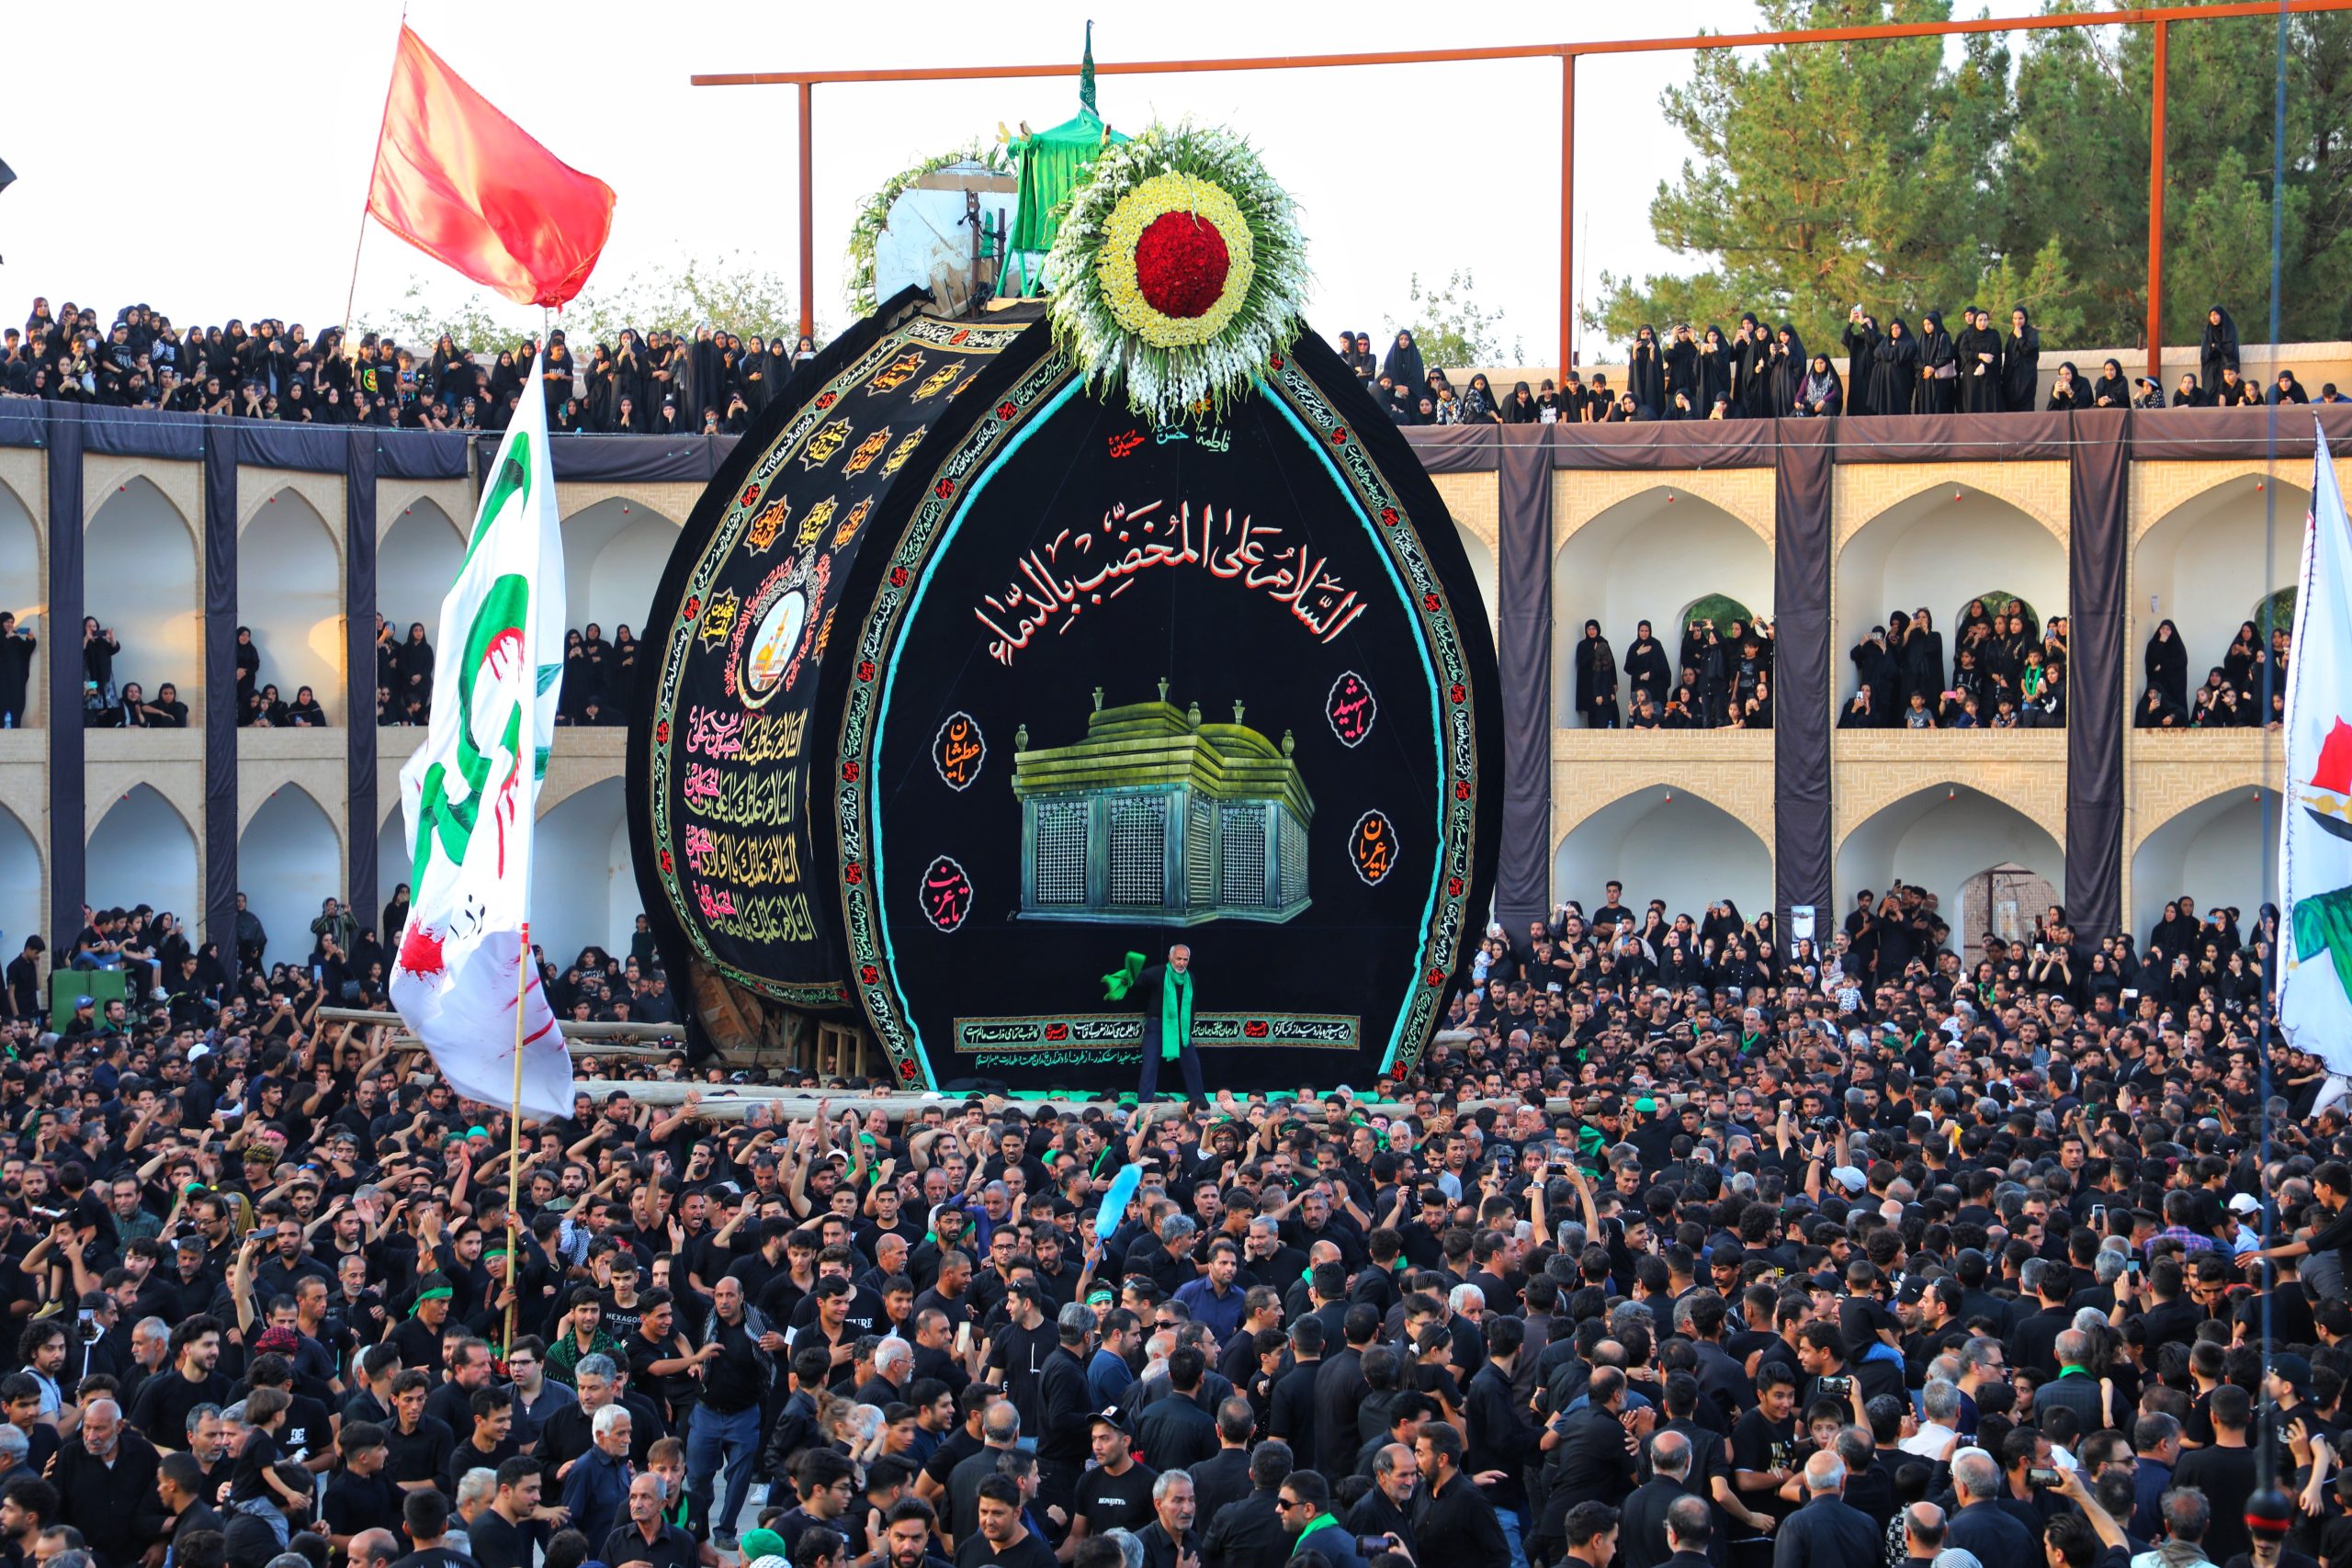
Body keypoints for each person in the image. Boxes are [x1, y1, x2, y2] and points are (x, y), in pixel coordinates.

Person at [1102, 947, 1205, 1108]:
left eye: (1185, 960)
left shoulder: (1190, 978)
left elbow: (1191, 1007)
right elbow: (1138, 979)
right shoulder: (1158, 973)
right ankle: (1144, 1103)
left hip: (1180, 1029)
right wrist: (1126, 977)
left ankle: (1200, 1102)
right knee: (1149, 1064)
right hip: (1157, 1026)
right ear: (1170, 958)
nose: (1181, 963)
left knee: (1192, 1064)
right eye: (1178, 959)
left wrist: (1188, 1029)